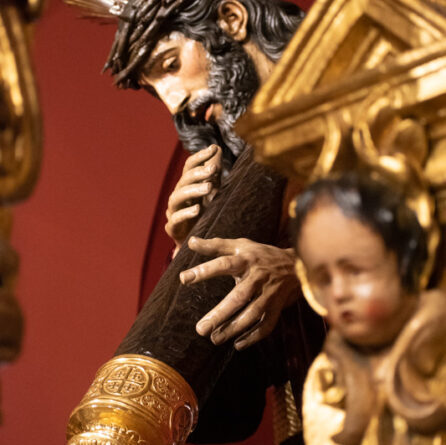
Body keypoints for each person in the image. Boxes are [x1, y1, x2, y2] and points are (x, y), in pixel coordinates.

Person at [65, 1, 324, 444]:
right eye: (155, 89)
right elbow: (230, 413)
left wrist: (304, 272)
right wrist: (198, 256)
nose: (174, 102)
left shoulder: (370, 109)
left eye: (171, 64)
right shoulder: (243, 186)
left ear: (232, 19)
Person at [291, 172, 446, 445]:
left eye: (355, 271)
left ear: (406, 263)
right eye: (324, 279)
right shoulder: (328, 373)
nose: (338, 293)